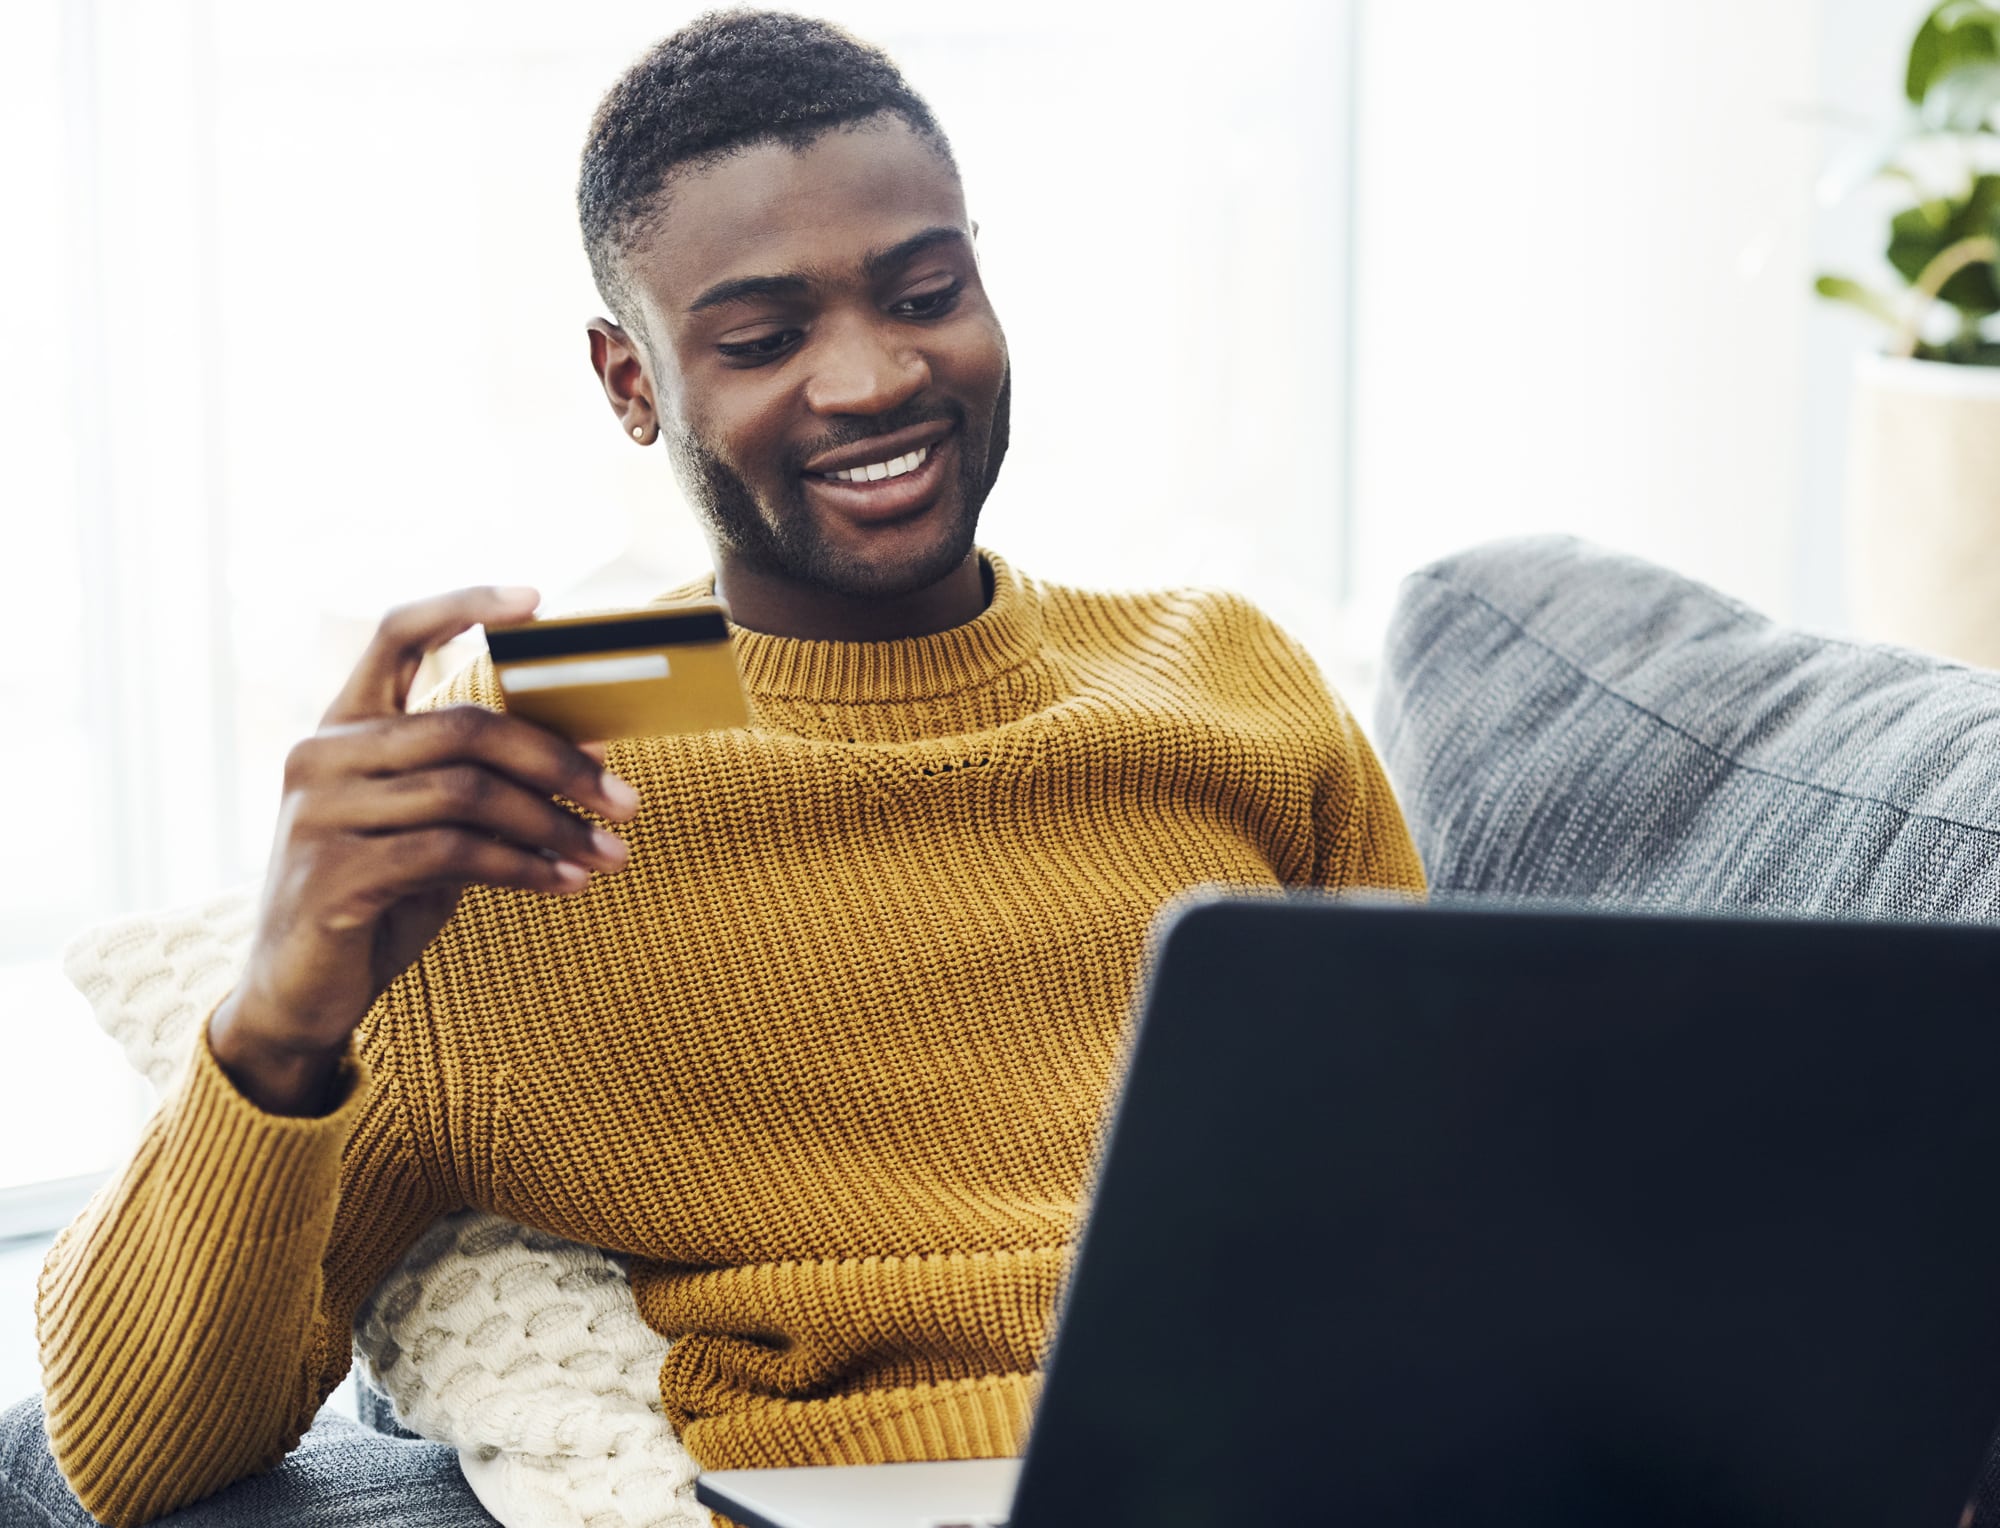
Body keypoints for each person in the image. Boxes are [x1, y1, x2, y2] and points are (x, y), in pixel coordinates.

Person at [0, 10, 1424, 1526]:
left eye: (926, 292)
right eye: (761, 339)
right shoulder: (535, 768)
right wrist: (283, 1010)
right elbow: (123, 1451)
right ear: (632, 383)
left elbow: (1449, 1163)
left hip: (1329, 1452)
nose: (874, 378)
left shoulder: (1221, 674)